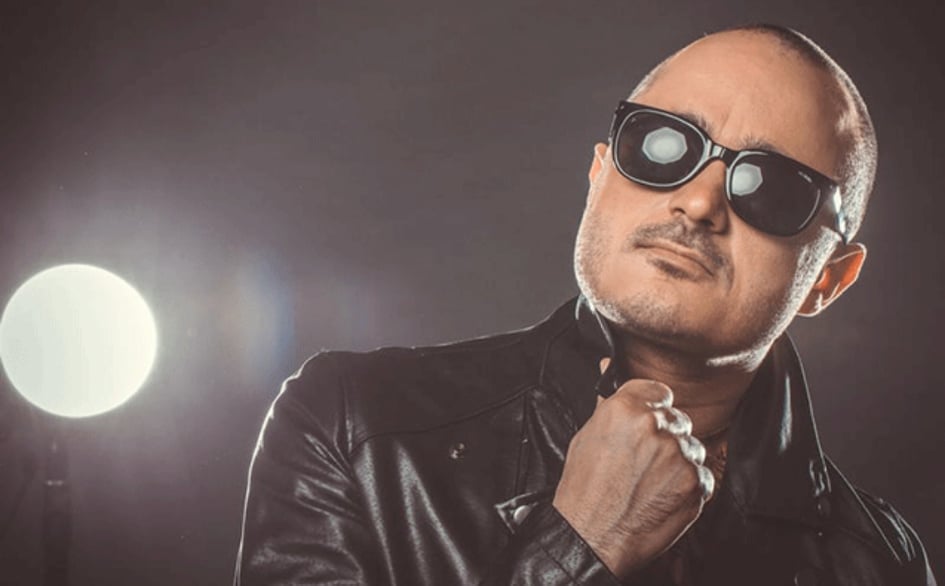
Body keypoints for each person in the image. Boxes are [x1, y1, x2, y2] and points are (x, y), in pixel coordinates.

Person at [234, 24, 937, 585]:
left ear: (828, 279)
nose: (698, 202)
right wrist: (580, 547)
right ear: (600, 173)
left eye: (773, 188)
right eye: (662, 145)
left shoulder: (881, 564)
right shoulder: (353, 428)